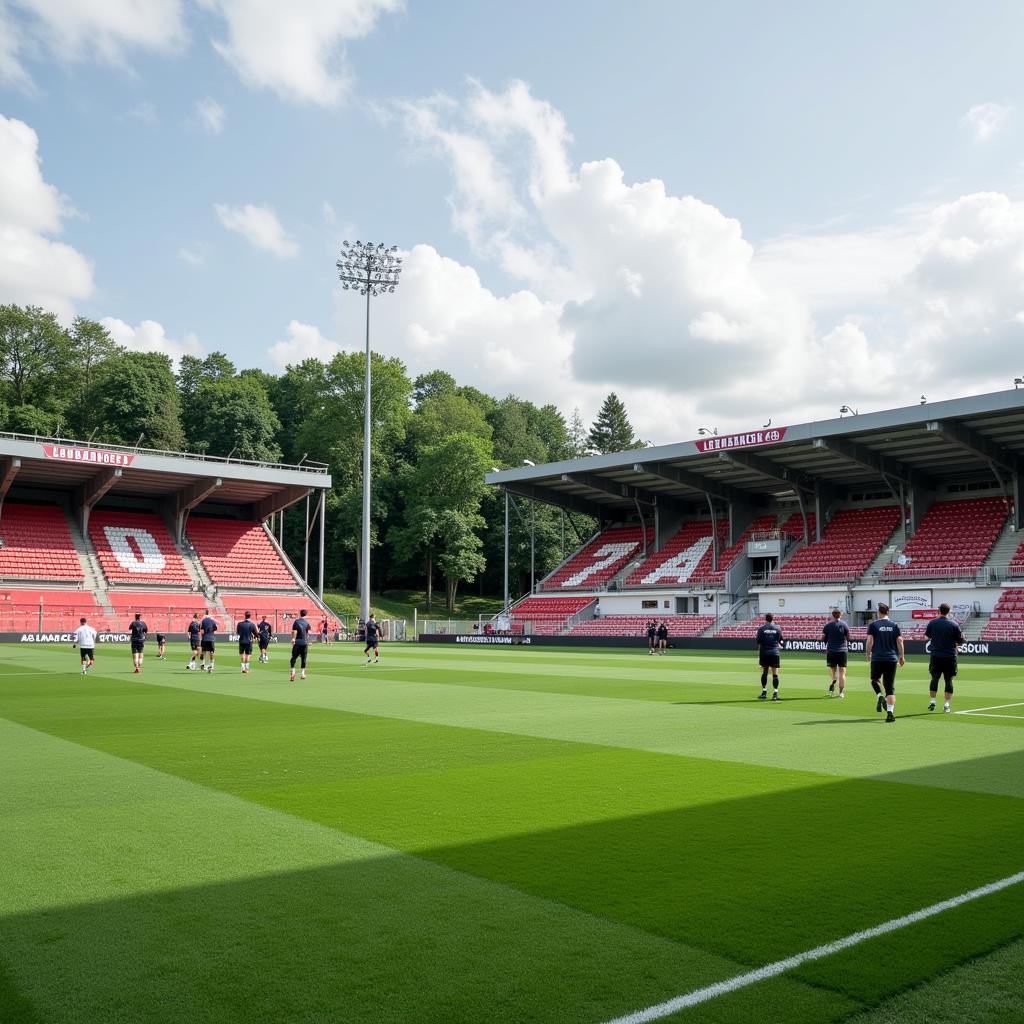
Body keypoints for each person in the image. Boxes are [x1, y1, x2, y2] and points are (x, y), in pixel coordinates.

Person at [866, 602, 905, 723]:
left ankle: (879, 696)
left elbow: (869, 641)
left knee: (874, 680)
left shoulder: (873, 625)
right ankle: (890, 713)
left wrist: (868, 654)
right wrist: (902, 656)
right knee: (890, 687)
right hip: (891, 659)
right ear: (888, 612)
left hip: (877, 658)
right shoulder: (894, 625)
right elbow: (900, 642)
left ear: (879, 613)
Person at [925, 602, 965, 713]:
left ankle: (932, 701)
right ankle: (946, 705)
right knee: (948, 680)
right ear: (949, 611)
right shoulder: (954, 624)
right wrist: (953, 645)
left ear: (939, 611)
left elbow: (927, 636)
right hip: (949, 656)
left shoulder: (932, 623)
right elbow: (960, 641)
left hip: (936, 655)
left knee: (934, 679)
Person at [822, 608, 851, 698]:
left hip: (831, 650)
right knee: (842, 672)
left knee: (833, 671)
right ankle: (841, 692)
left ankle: (834, 680)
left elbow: (823, 638)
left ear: (832, 615)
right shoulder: (844, 625)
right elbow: (849, 637)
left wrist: (827, 643)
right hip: (842, 650)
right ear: (841, 615)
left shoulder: (827, 626)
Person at [756, 612, 783, 701]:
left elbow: (758, 642)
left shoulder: (761, 629)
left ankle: (764, 692)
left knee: (765, 672)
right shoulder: (778, 628)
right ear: (773, 618)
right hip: (775, 652)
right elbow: (781, 641)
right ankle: (775, 694)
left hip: (764, 652)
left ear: (765, 618)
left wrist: (759, 655)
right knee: (775, 674)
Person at [290, 608, 311, 681]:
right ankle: (302, 674)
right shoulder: (307, 623)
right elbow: (307, 633)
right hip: (304, 643)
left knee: (293, 658)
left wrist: (293, 639)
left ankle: (293, 673)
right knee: (304, 659)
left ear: (300, 613)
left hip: (297, 642)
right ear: (306, 614)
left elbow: (294, 631)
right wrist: (307, 641)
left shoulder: (296, 622)